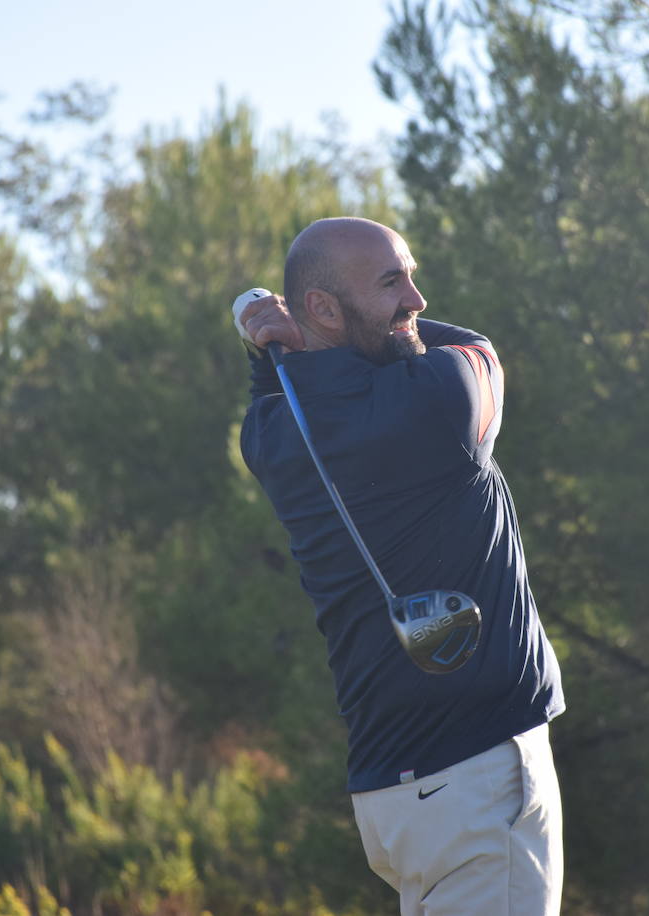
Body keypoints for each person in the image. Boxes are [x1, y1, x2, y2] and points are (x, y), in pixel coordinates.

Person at [234, 217, 565, 915]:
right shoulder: (437, 402)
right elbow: (479, 349)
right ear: (322, 307)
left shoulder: (267, 436)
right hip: (476, 783)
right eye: (392, 282)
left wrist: (289, 337)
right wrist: (292, 334)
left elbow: (282, 383)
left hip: (391, 799)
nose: (415, 299)